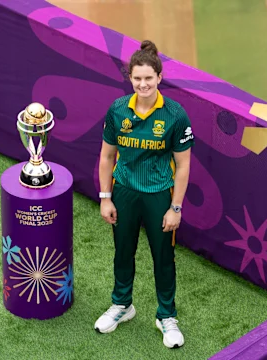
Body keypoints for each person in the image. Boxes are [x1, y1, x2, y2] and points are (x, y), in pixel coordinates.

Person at [94, 40, 194, 349]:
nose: (143, 84)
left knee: (163, 257)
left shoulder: (175, 115)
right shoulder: (118, 109)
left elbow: (183, 165)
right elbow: (107, 157)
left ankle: (166, 316)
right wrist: (105, 197)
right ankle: (122, 305)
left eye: (149, 78)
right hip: (124, 191)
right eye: (137, 78)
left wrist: (175, 207)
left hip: (158, 195)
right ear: (130, 78)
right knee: (123, 251)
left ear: (159, 77)